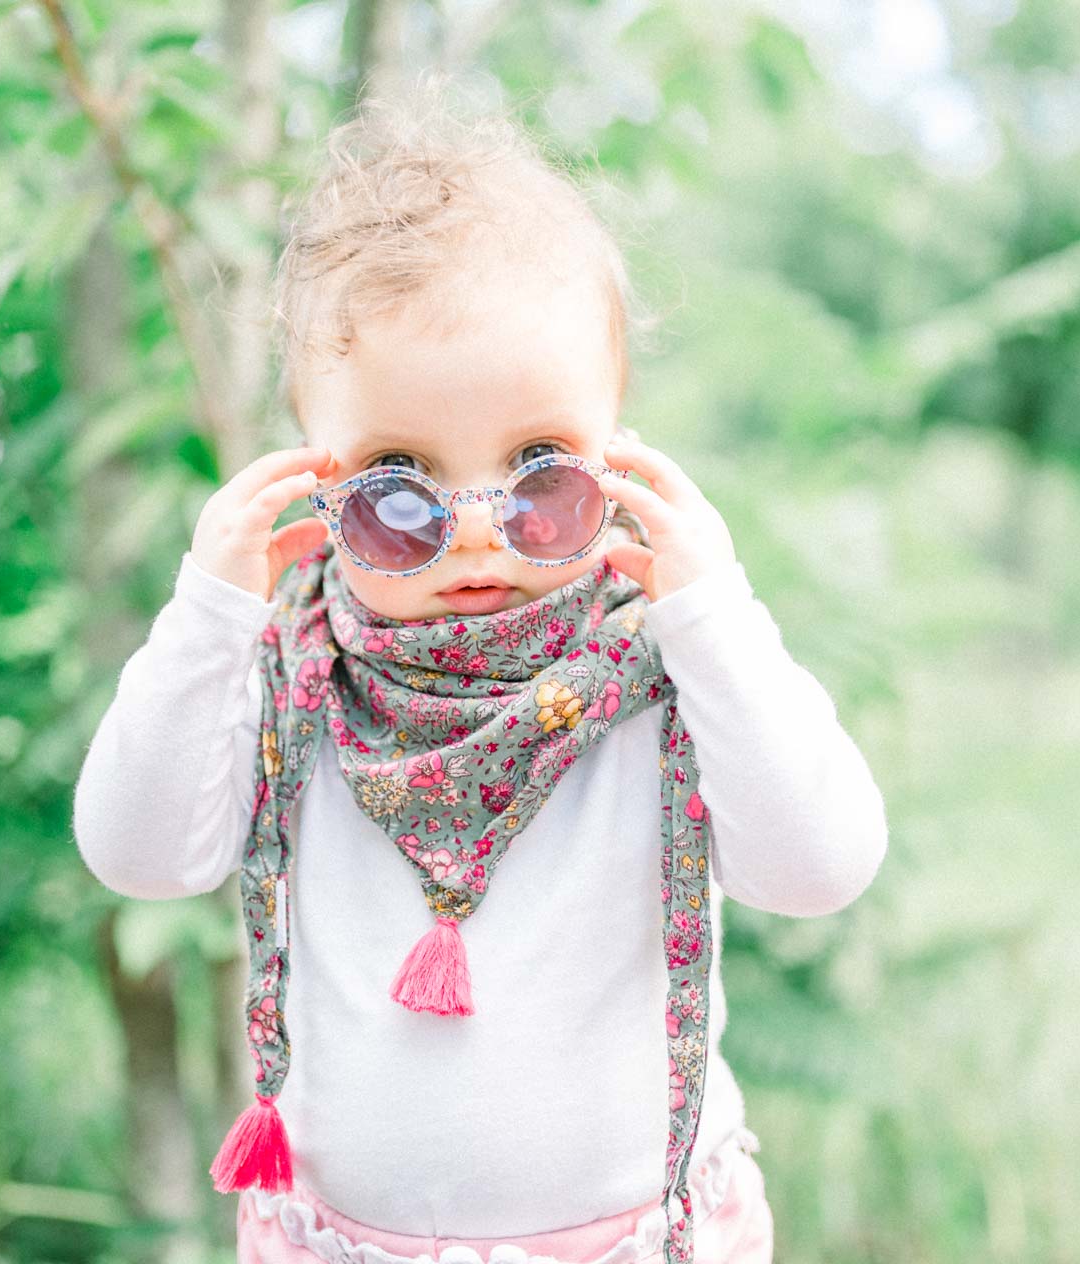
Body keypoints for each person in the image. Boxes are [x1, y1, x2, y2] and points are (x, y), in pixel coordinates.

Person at [72, 80, 889, 1264]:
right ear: (314, 469)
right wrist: (209, 617)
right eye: (398, 484)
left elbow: (820, 868)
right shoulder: (292, 680)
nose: (471, 529)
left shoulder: (663, 675)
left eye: (539, 473)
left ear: (621, 456)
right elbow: (138, 857)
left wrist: (714, 616)